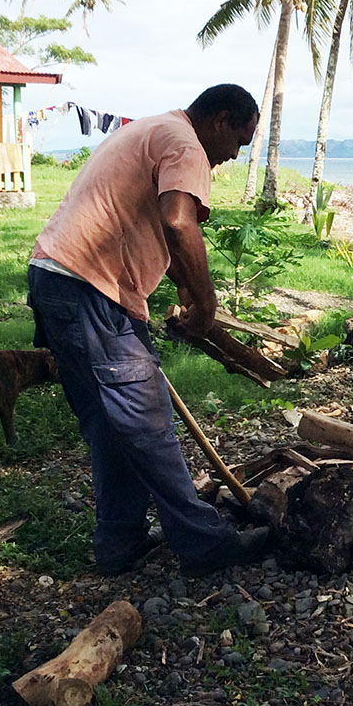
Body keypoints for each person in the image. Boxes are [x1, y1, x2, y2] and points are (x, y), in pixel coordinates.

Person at [27, 84, 269, 577]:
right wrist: (206, 303)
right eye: (239, 142)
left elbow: (160, 228)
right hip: (90, 291)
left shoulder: (153, 127)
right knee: (146, 421)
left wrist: (182, 283)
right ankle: (204, 544)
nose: (231, 156)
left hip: (56, 280)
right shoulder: (186, 143)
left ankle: (120, 542)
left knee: (110, 425)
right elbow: (179, 223)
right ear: (221, 121)